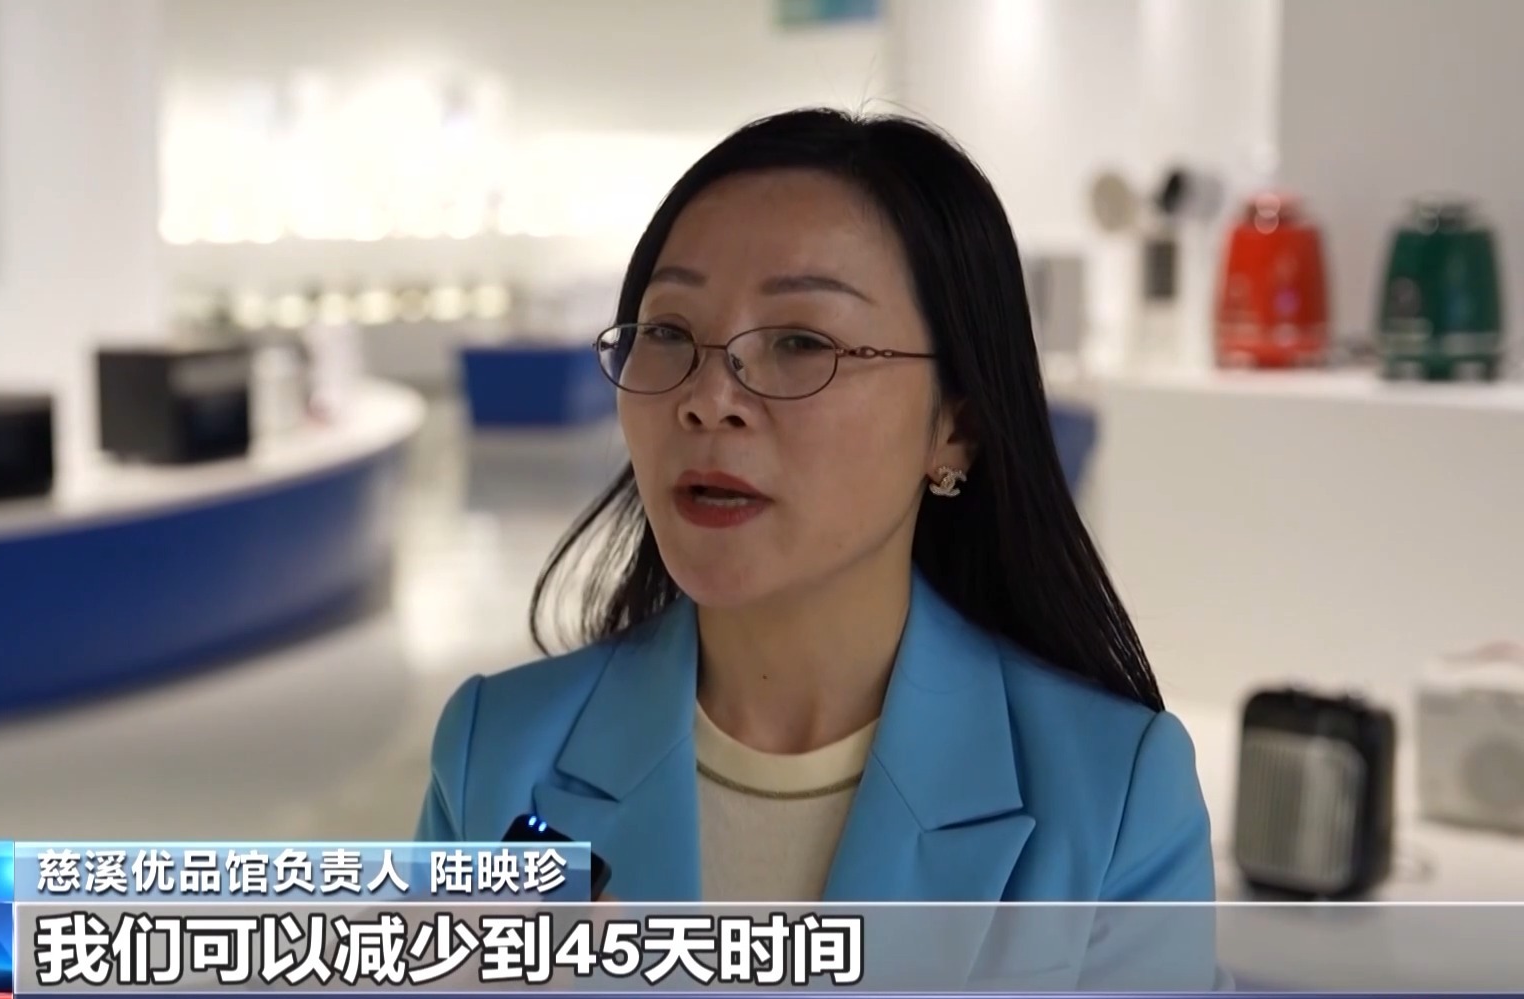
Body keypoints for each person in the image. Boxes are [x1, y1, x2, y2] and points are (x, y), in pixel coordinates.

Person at [415, 109, 1215, 941]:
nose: (708, 399)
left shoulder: (1114, 798)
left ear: (956, 426)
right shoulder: (494, 755)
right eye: (669, 332)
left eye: (800, 341)